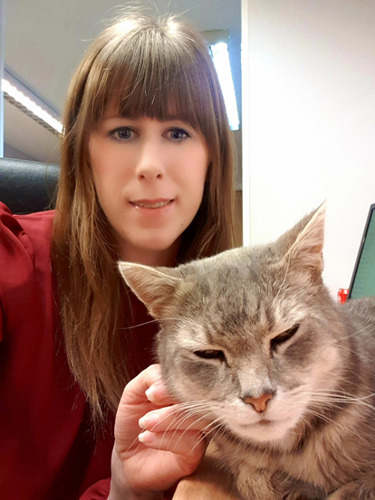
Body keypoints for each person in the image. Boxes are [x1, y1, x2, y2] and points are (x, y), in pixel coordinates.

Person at [0, 10, 236, 500]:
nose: (150, 166)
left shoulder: (225, 315)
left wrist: (126, 489)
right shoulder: (13, 265)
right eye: (123, 132)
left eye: (178, 133)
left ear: (211, 155)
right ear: (84, 152)